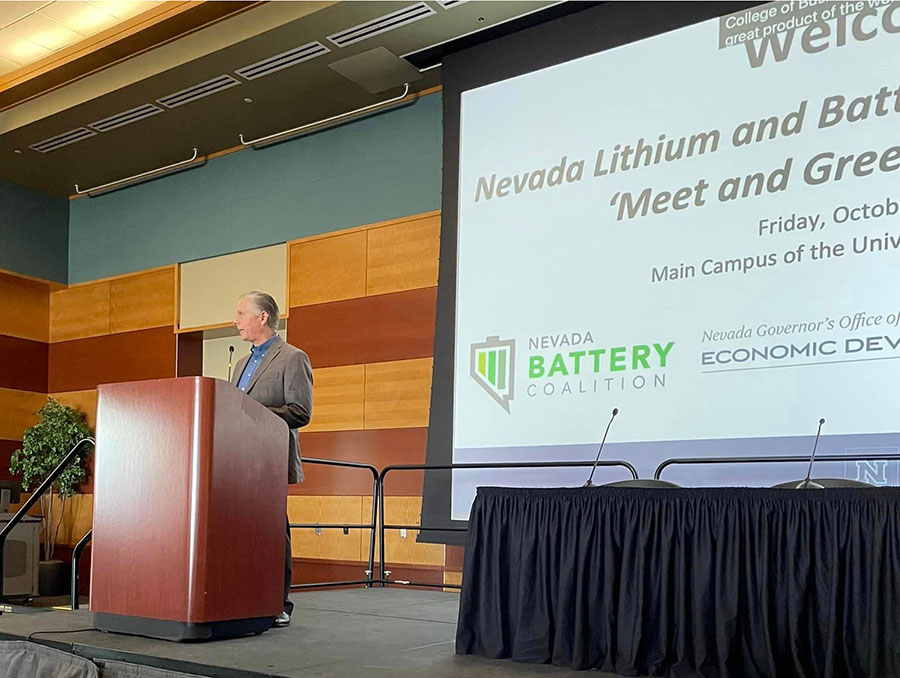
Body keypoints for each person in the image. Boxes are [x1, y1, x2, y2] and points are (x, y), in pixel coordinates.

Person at [232, 291, 313, 628]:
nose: (235, 321)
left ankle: (279, 603)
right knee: (240, 531)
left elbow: (300, 411)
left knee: (273, 531)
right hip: (236, 461)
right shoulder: (239, 363)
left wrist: (253, 412)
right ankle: (243, 597)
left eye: (240, 313)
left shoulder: (292, 357)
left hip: (270, 461)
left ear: (263, 317)